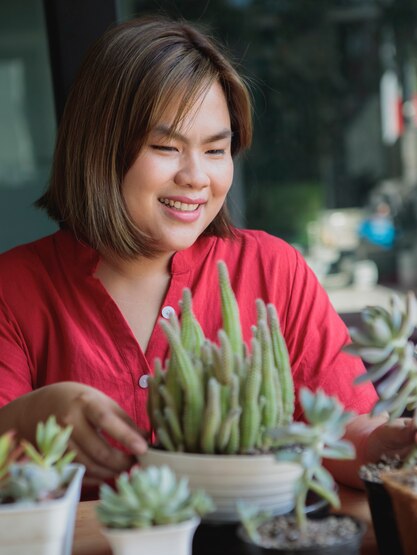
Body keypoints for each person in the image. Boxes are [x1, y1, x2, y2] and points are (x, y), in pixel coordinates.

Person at [0, 16, 415, 493]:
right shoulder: (14, 289)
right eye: (165, 147)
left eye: (216, 150)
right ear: (99, 149)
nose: (197, 177)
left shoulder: (274, 271)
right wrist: (36, 413)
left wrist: (383, 443)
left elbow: (341, 431)